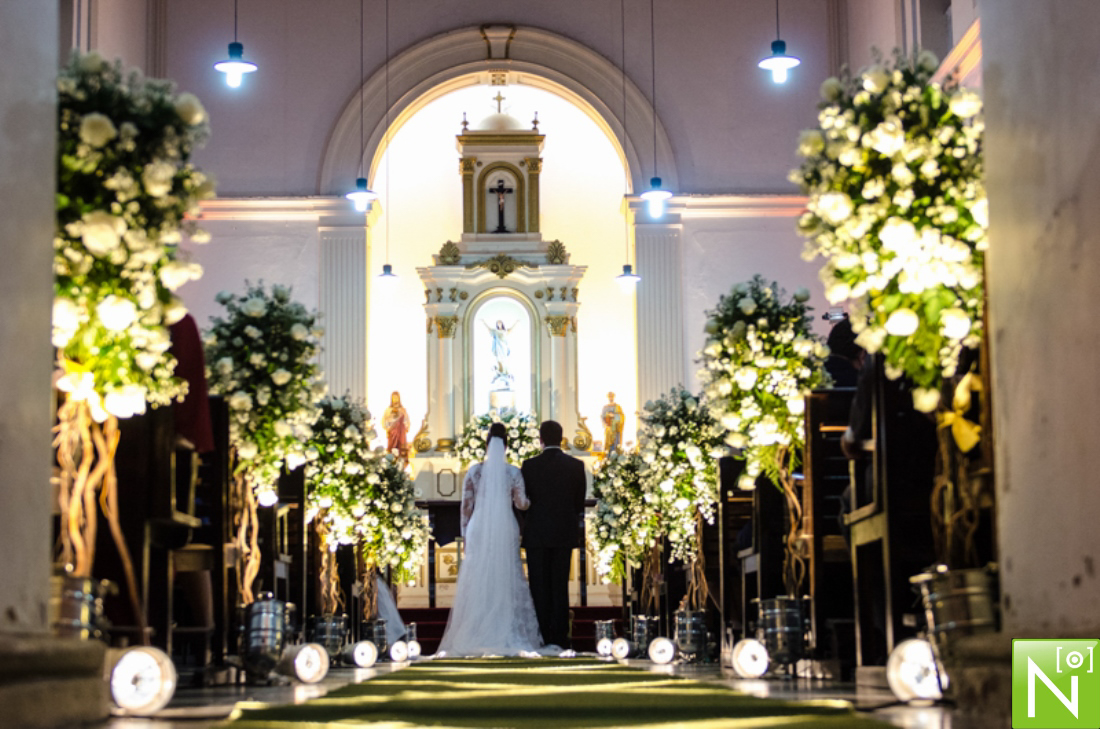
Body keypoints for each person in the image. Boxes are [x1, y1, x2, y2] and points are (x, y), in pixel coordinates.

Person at [436, 422, 542, 656]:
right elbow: (521, 504)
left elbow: (466, 507)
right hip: (505, 526)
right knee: (506, 574)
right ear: (506, 447)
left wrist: (465, 535)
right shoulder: (513, 472)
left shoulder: (474, 472)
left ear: (486, 446)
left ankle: (476, 629)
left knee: (479, 576)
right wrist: (532, 500)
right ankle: (507, 627)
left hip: (478, 527)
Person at [520, 420, 587, 650]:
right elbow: (578, 503)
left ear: (540, 439)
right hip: (563, 533)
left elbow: (524, 502)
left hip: (537, 534)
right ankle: (559, 637)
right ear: (562, 438)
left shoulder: (529, 466)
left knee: (538, 586)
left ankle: (541, 635)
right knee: (559, 585)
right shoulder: (576, 465)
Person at [381, 391, 410, 457]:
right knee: (392, 448)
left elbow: (406, 420)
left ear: (399, 398)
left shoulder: (402, 410)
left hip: (401, 432)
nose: (395, 399)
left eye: (396, 397)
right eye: (394, 398)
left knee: (401, 447)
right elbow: (385, 420)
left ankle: (401, 458)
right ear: (391, 399)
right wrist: (389, 427)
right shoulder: (388, 410)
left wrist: (406, 426)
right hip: (392, 432)